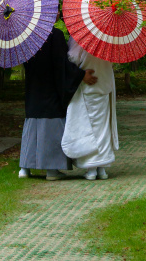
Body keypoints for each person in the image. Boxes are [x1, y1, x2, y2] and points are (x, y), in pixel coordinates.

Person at [19, 25, 98, 181]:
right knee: (51, 123)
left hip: (33, 87)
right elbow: (61, 63)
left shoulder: (26, 35)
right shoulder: (54, 34)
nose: (57, 12)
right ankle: (52, 170)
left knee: (32, 123)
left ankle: (24, 168)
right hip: (50, 88)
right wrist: (81, 75)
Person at [61, 38, 119, 181]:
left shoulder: (80, 36)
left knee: (88, 125)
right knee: (103, 127)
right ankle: (102, 169)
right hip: (104, 83)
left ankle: (91, 168)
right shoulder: (110, 38)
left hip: (87, 85)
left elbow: (73, 58)